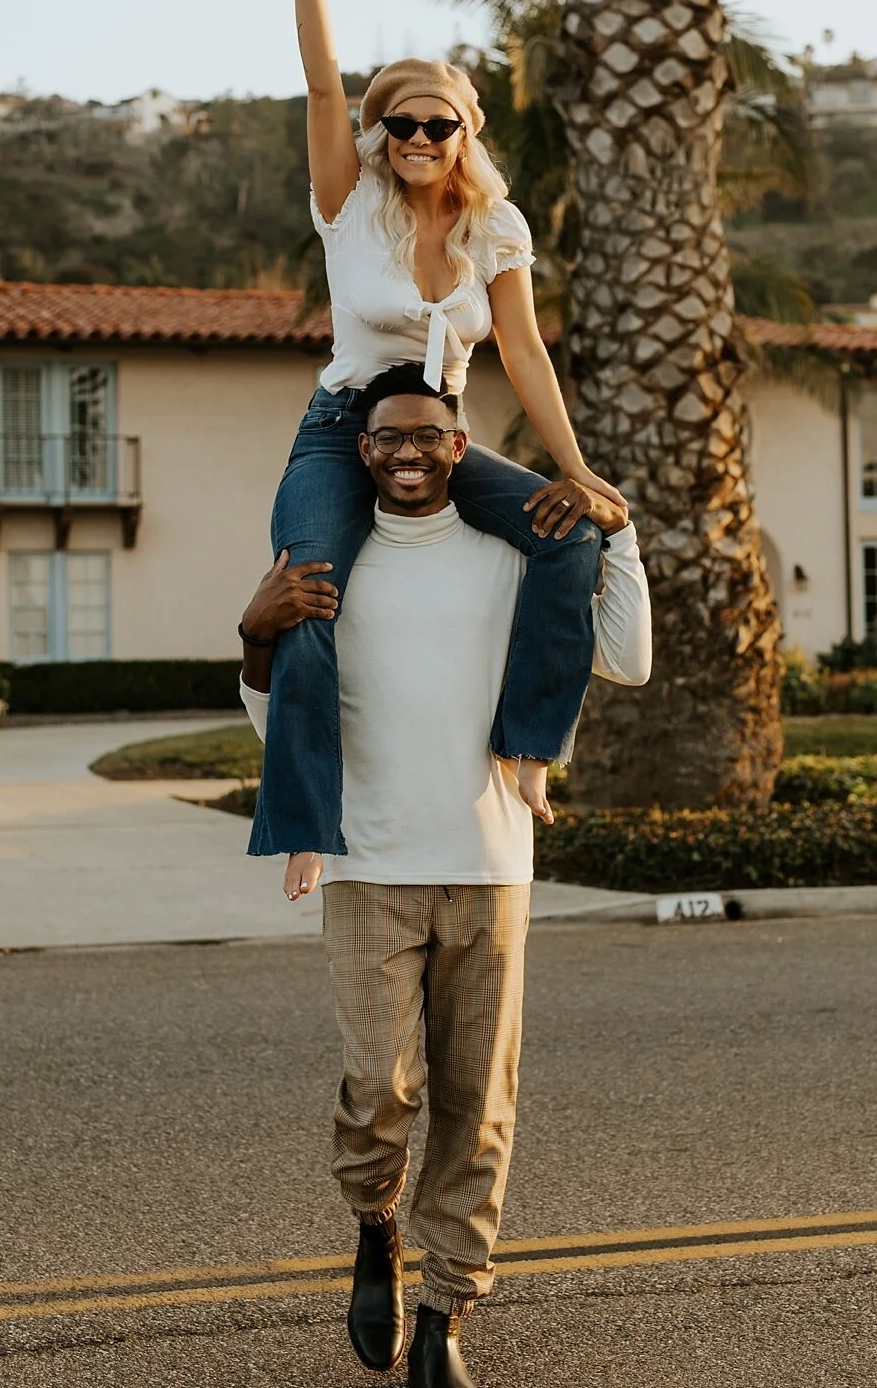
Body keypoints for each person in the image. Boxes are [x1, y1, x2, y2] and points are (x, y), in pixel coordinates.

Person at [236, 363, 650, 1387]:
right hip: (366, 864)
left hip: (489, 864)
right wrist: (254, 632)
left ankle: (443, 1314)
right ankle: (375, 1218)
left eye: (427, 435)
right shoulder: (331, 557)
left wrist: (620, 529)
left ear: (459, 446)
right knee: (381, 1088)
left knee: (476, 1106)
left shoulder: (513, 553)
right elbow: (273, 718)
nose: (407, 453)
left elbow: (626, 659)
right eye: (385, 439)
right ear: (358, 450)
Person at [253, 0, 629, 891]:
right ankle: (303, 823)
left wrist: (576, 470)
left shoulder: (493, 227)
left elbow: (523, 350)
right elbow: (322, 83)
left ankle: (525, 745)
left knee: (571, 537)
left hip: (441, 434)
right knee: (305, 594)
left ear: (466, 132)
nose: (417, 140)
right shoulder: (348, 201)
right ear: (381, 132)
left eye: (438, 125)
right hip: (341, 431)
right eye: (401, 125)